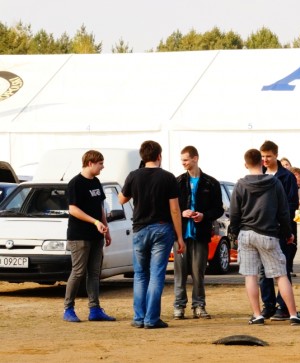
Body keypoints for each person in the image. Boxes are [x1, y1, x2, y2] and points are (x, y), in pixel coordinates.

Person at [228, 149, 300, 326]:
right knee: (280, 275)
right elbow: (283, 211)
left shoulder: (240, 184)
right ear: (262, 162)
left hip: (246, 233)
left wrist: (234, 232)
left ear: (245, 164)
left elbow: (234, 212)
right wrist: (288, 233)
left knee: (251, 275)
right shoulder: (274, 183)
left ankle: (257, 315)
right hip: (268, 233)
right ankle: (293, 314)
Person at [119, 140, 185, 329]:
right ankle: (151, 318)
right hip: (162, 228)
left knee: (140, 275)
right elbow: (174, 209)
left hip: (140, 228)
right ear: (159, 156)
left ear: (142, 156)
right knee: (156, 275)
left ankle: (139, 318)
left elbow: (122, 199)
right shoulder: (168, 177)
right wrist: (179, 237)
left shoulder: (134, 175)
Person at [63, 150, 116, 323]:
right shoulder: (75, 183)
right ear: (90, 163)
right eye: (100, 163)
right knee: (78, 272)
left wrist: (106, 229)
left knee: (94, 273)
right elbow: (73, 209)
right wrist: (94, 222)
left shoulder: (96, 182)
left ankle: (95, 309)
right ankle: (68, 308)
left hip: (96, 236)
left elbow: (100, 206)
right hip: (79, 236)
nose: (103, 166)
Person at [173, 146, 224, 320]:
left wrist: (204, 215)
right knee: (179, 273)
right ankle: (179, 306)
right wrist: (182, 213)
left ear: (195, 158)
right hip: (181, 236)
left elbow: (218, 209)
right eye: (182, 160)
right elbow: (170, 207)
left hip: (200, 235)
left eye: (186, 160)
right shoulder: (177, 182)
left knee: (198, 273)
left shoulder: (211, 183)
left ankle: (199, 305)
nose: (183, 163)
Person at [259, 141, 299, 321]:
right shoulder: (258, 174)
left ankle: (283, 306)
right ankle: (268, 305)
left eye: (268, 156)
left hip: (282, 230)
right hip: (262, 230)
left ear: (276, 155)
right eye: (262, 156)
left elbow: (292, 204)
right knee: (262, 270)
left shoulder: (287, 177)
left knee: (282, 269)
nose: (265, 160)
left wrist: (285, 227)